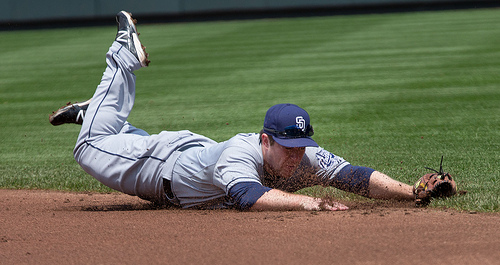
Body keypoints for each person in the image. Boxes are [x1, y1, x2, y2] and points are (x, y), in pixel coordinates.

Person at [50, 11, 418, 211]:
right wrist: (314, 203)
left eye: (302, 146)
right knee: (88, 148)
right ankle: (122, 56)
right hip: (153, 166)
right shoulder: (239, 156)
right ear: (265, 141)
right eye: (289, 149)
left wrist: (413, 191)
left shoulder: (302, 153)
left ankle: (97, 112)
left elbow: (353, 176)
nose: (297, 156)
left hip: (183, 154)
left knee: (103, 134)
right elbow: (249, 197)